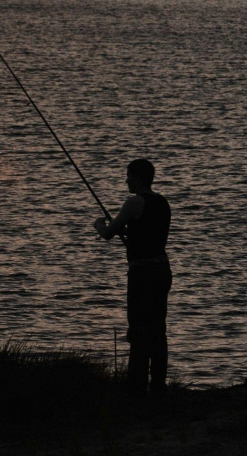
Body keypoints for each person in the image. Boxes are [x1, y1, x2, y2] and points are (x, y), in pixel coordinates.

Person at [94, 158, 172, 396]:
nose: (126, 180)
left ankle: (136, 387)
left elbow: (108, 233)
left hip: (142, 273)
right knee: (158, 328)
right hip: (162, 270)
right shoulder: (162, 202)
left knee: (138, 328)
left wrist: (98, 224)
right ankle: (158, 384)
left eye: (128, 175)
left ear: (137, 178)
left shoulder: (133, 203)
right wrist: (127, 231)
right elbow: (147, 232)